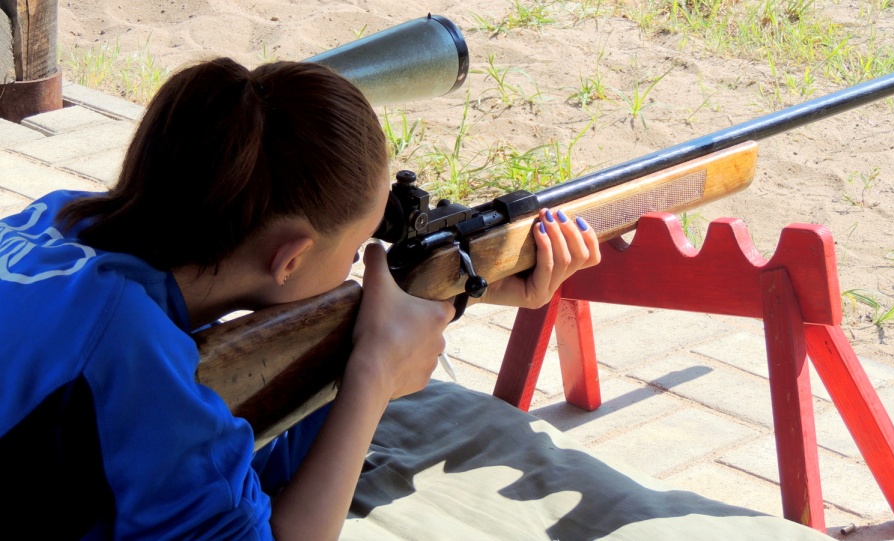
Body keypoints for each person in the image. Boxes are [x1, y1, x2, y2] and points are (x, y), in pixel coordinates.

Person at [0, 58, 600, 539]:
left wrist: (471, 283)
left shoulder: (59, 216)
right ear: (289, 258)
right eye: (358, 249)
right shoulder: (137, 362)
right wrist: (372, 376)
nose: (360, 270)